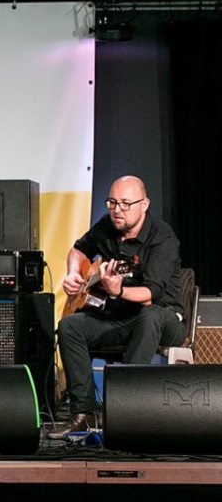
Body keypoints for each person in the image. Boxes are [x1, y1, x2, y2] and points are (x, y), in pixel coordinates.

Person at [50, 175, 185, 437]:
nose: (117, 210)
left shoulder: (162, 237)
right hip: (122, 318)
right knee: (70, 327)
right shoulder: (107, 226)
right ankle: (84, 413)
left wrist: (118, 290)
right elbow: (78, 250)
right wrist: (73, 272)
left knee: (150, 315)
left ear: (144, 204)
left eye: (125, 203)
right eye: (112, 203)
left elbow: (151, 294)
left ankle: (123, 411)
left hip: (166, 318)